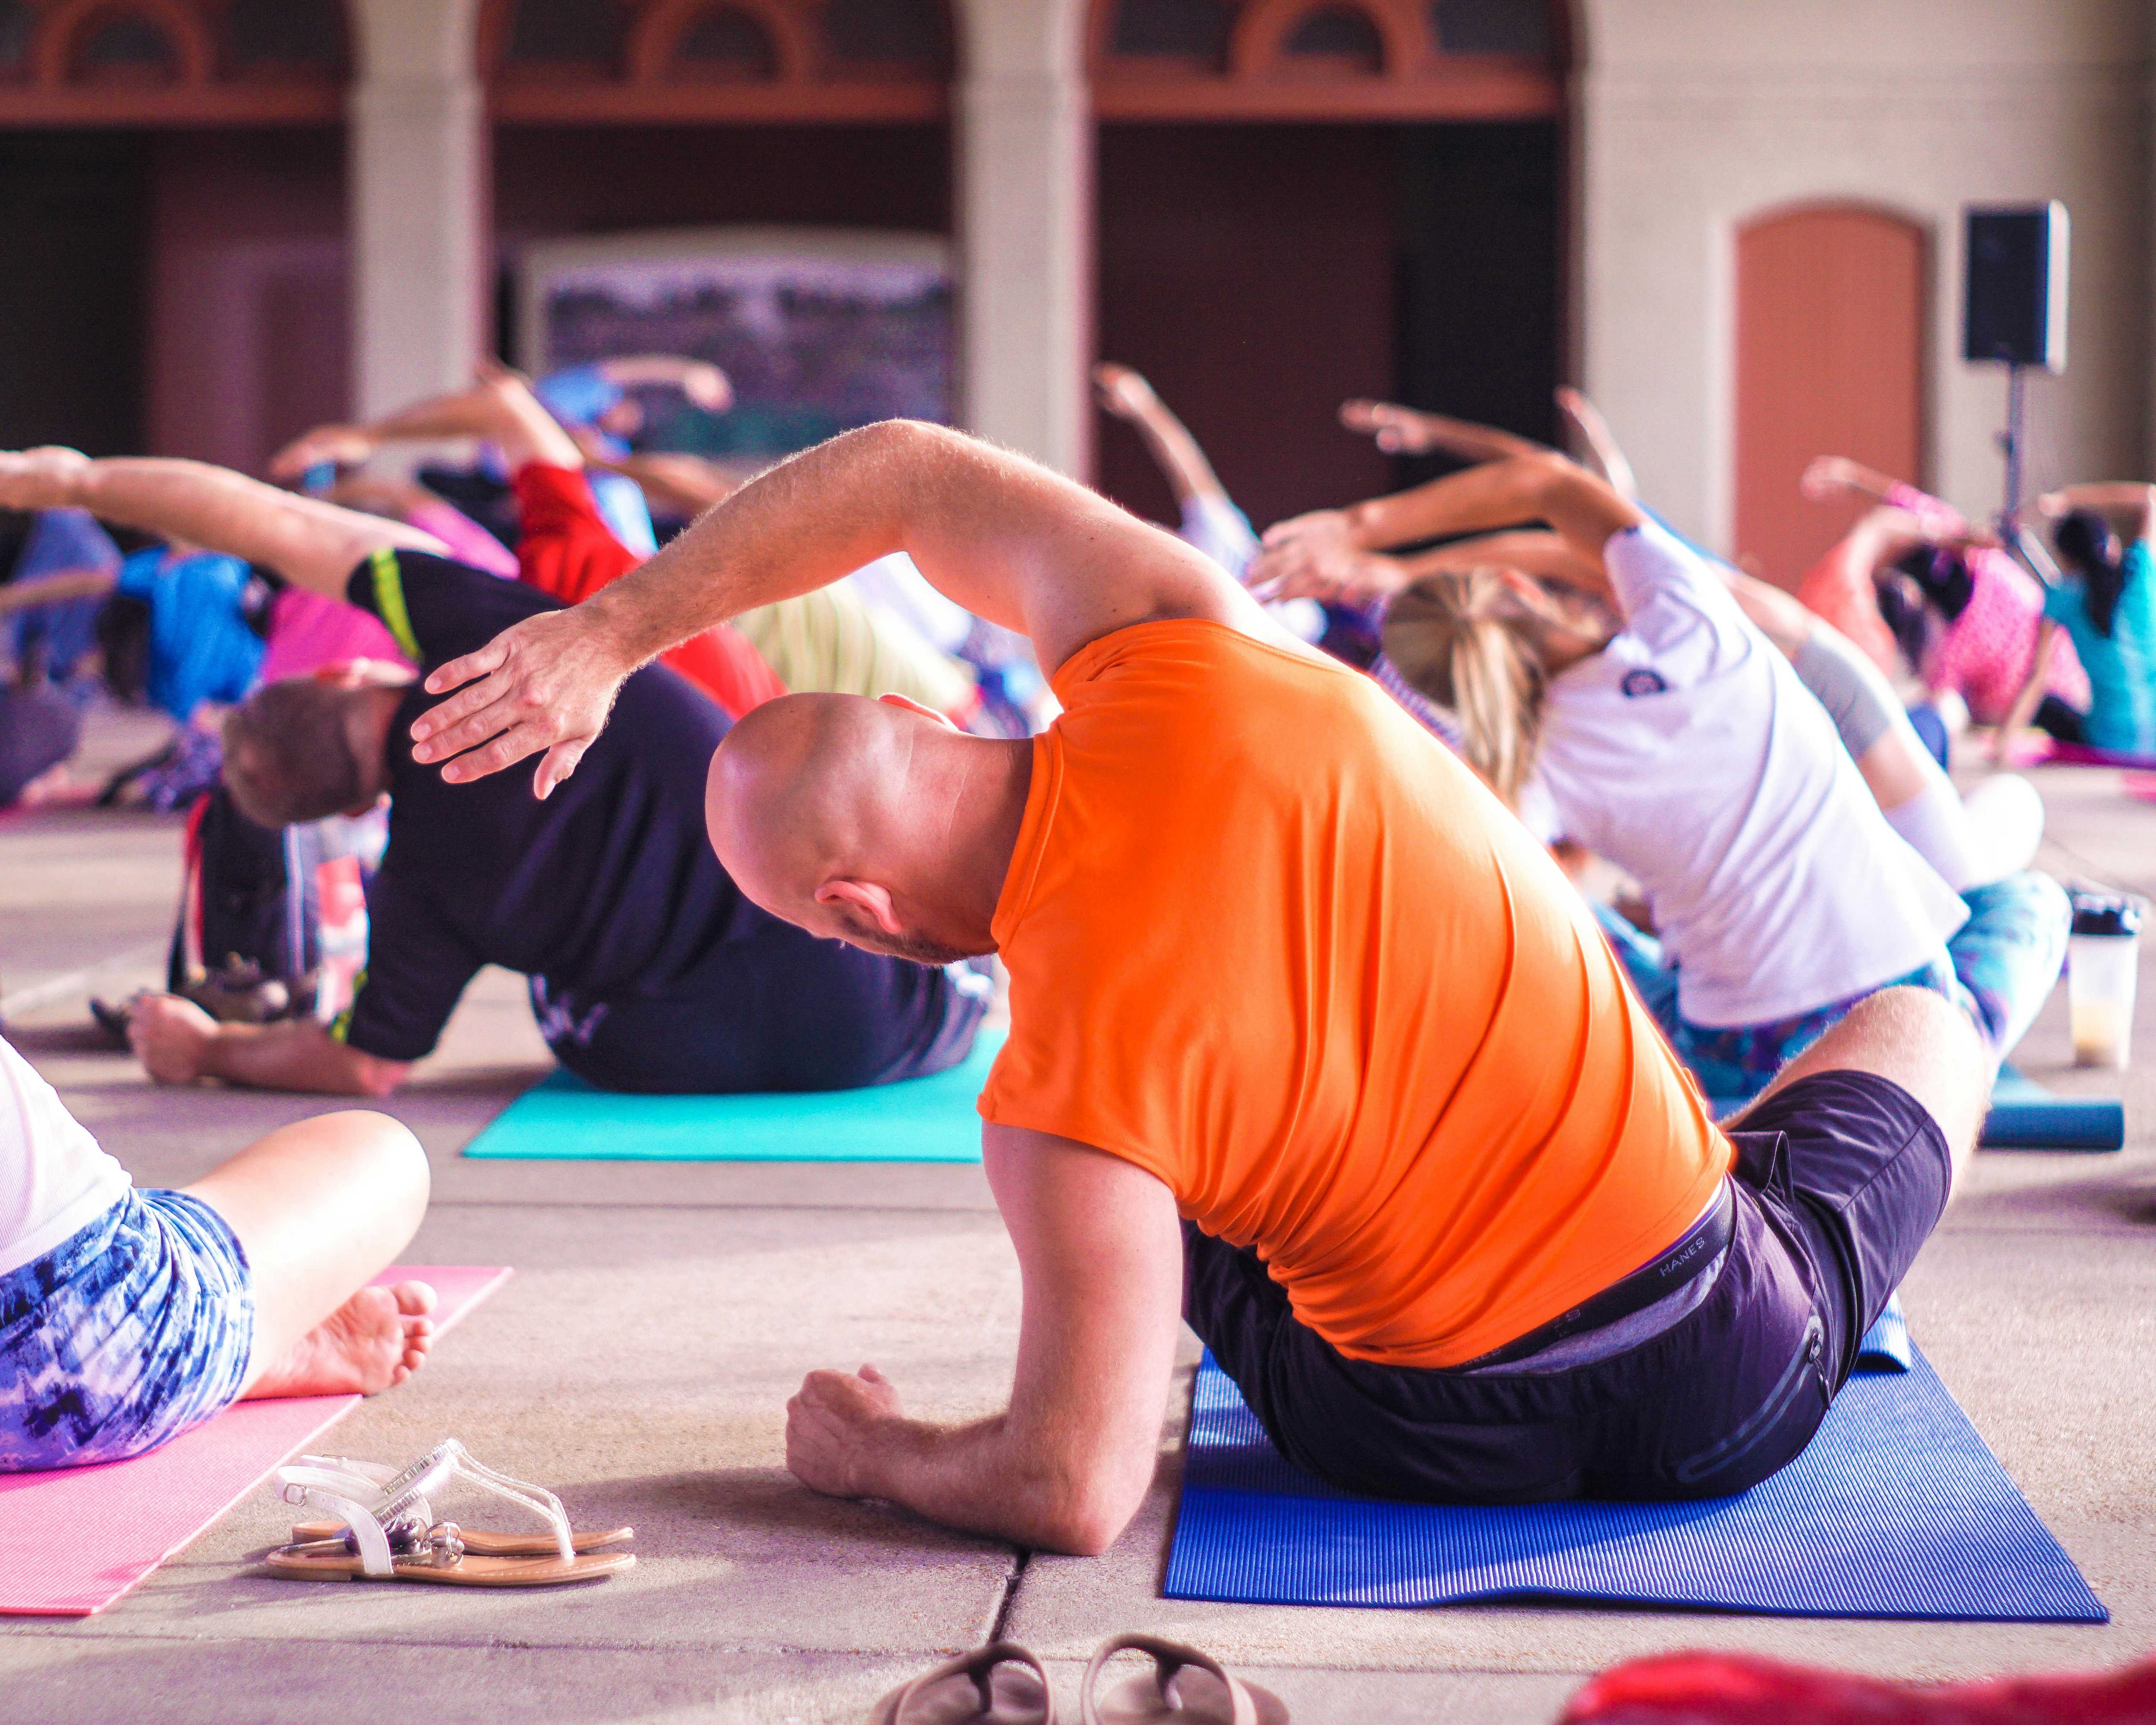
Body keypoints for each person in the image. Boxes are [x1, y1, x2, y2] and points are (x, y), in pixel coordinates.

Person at [385, 417, 1989, 1548]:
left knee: (1163, 1171)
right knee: (1920, 1018)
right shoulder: (1180, 640)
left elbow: (1069, 1494)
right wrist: (608, 633)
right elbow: (905, 472)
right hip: (1726, 1366)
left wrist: (873, 1453)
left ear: (855, 910)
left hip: (1405, 1440)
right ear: (941, 728)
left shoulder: (1056, 1109)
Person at [0, 445, 989, 1100]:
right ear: (347, 668)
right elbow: (277, 525)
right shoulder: (485, 639)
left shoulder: (418, 887)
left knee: (561, 1008)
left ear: (348, 810)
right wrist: (72, 482)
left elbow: (367, 1064)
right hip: (893, 1004)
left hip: (691, 1059)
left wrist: (206, 1050)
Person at [1254, 453, 2068, 1104]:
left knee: (1581, 923)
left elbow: (1496, 919)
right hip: (1901, 1013)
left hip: (1735, 1057)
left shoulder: (1530, 765)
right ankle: (1955, 1065)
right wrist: (1364, 533)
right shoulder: (1690, 616)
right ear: (1514, 588)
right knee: (2032, 900)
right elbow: (1547, 482)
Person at [0, 1028, 434, 1471]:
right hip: (103, 1358)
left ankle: (245, 1344)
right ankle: (242, 1344)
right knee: (384, 1148)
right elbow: (370, 1068)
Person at [272, 367, 787, 722]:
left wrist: (367, 439)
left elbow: (505, 407)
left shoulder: (566, 564)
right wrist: (366, 437)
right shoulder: (574, 554)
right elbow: (506, 407)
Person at [1799, 456, 2090, 736]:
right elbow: (1912, 504)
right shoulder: (1984, 561)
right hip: (2067, 685)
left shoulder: (1952, 652)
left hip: (2032, 705)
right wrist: (1851, 475)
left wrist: (1852, 479)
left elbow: (1893, 513)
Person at [1997, 484, 2156, 758]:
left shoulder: (2061, 598)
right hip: (2151, 743)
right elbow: (2149, 497)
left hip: (2106, 742)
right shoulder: (2140, 569)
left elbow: (2037, 679)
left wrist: (2003, 745)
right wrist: (2067, 498)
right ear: (2109, 544)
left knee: (2049, 707)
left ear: (2066, 558)